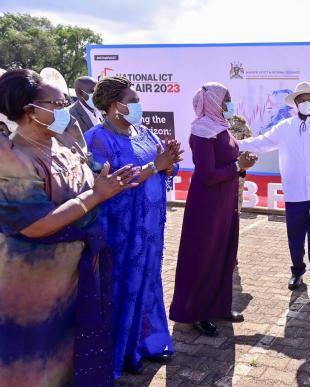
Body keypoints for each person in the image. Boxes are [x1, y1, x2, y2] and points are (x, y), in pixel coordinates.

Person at [0, 69, 139, 386]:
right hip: (34, 284)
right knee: (34, 363)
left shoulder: (62, 145)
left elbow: (89, 178)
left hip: (73, 276)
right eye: (56, 104)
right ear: (29, 110)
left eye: (64, 103)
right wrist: (96, 195)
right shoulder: (11, 157)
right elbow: (35, 224)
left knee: (68, 358)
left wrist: (98, 177)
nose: (65, 110)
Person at [85, 76, 183, 377]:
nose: (139, 106)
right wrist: (155, 165)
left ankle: (147, 343)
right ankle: (123, 352)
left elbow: (167, 166)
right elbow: (115, 180)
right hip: (121, 228)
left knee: (148, 282)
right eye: (133, 101)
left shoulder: (144, 131)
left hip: (151, 227)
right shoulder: (97, 138)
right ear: (115, 106)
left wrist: (169, 162)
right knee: (121, 285)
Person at [238, 81, 310, 291]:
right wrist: (235, 144)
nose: (306, 103)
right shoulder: (284, 127)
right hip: (295, 192)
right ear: (296, 103)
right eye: (302, 99)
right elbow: (261, 142)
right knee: (295, 236)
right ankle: (297, 272)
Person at [169, 82, 256, 337]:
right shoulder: (202, 130)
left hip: (226, 200)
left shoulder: (223, 128)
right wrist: (237, 165)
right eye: (226, 99)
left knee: (224, 253)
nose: (229, 104)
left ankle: (219, 306)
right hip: (207, 203)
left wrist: (242, 164)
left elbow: (228, 163)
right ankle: (195, 312)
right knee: (203, 256)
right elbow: (207, 175)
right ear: (214, 102)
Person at [229, 114, 253, 210]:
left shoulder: (240, 123)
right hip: (218, 168)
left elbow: (250, 143)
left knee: (237, 195)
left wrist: (243, 165)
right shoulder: (212, 123)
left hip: (237, 168)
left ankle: (235, 218)